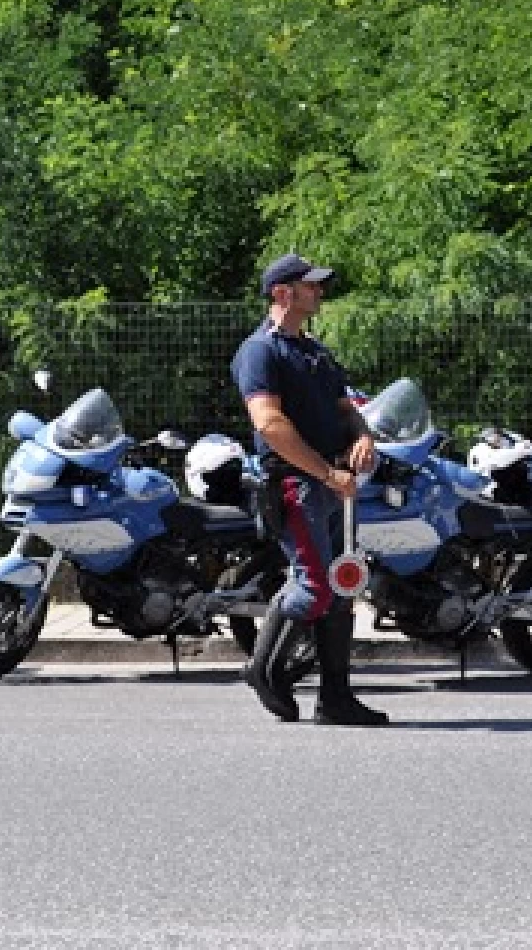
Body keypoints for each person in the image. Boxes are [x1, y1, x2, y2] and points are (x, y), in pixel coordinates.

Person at [230, 254, 388, 726]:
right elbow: (270, 424)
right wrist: (324, 473)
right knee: (316, 587)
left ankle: (335, 698)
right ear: (283, 293)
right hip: (296, 482)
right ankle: (262, 668)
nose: (319, 292)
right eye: (310, 286)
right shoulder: (260, 351)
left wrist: (362, 436)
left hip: (332, 483)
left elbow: (346, 406)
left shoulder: (313, 350)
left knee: (341, 586)